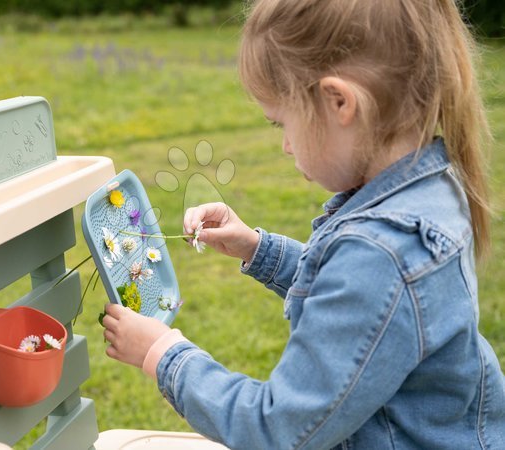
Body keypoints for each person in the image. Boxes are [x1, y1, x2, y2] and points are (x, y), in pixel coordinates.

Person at [101, 0, 505, 448]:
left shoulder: (384, 250)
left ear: (339, 102)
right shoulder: (425, 190)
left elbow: (276, 429)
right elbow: (359, 300)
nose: (286, 148)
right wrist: (257, 248)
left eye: (282, 124)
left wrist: (162, 353)